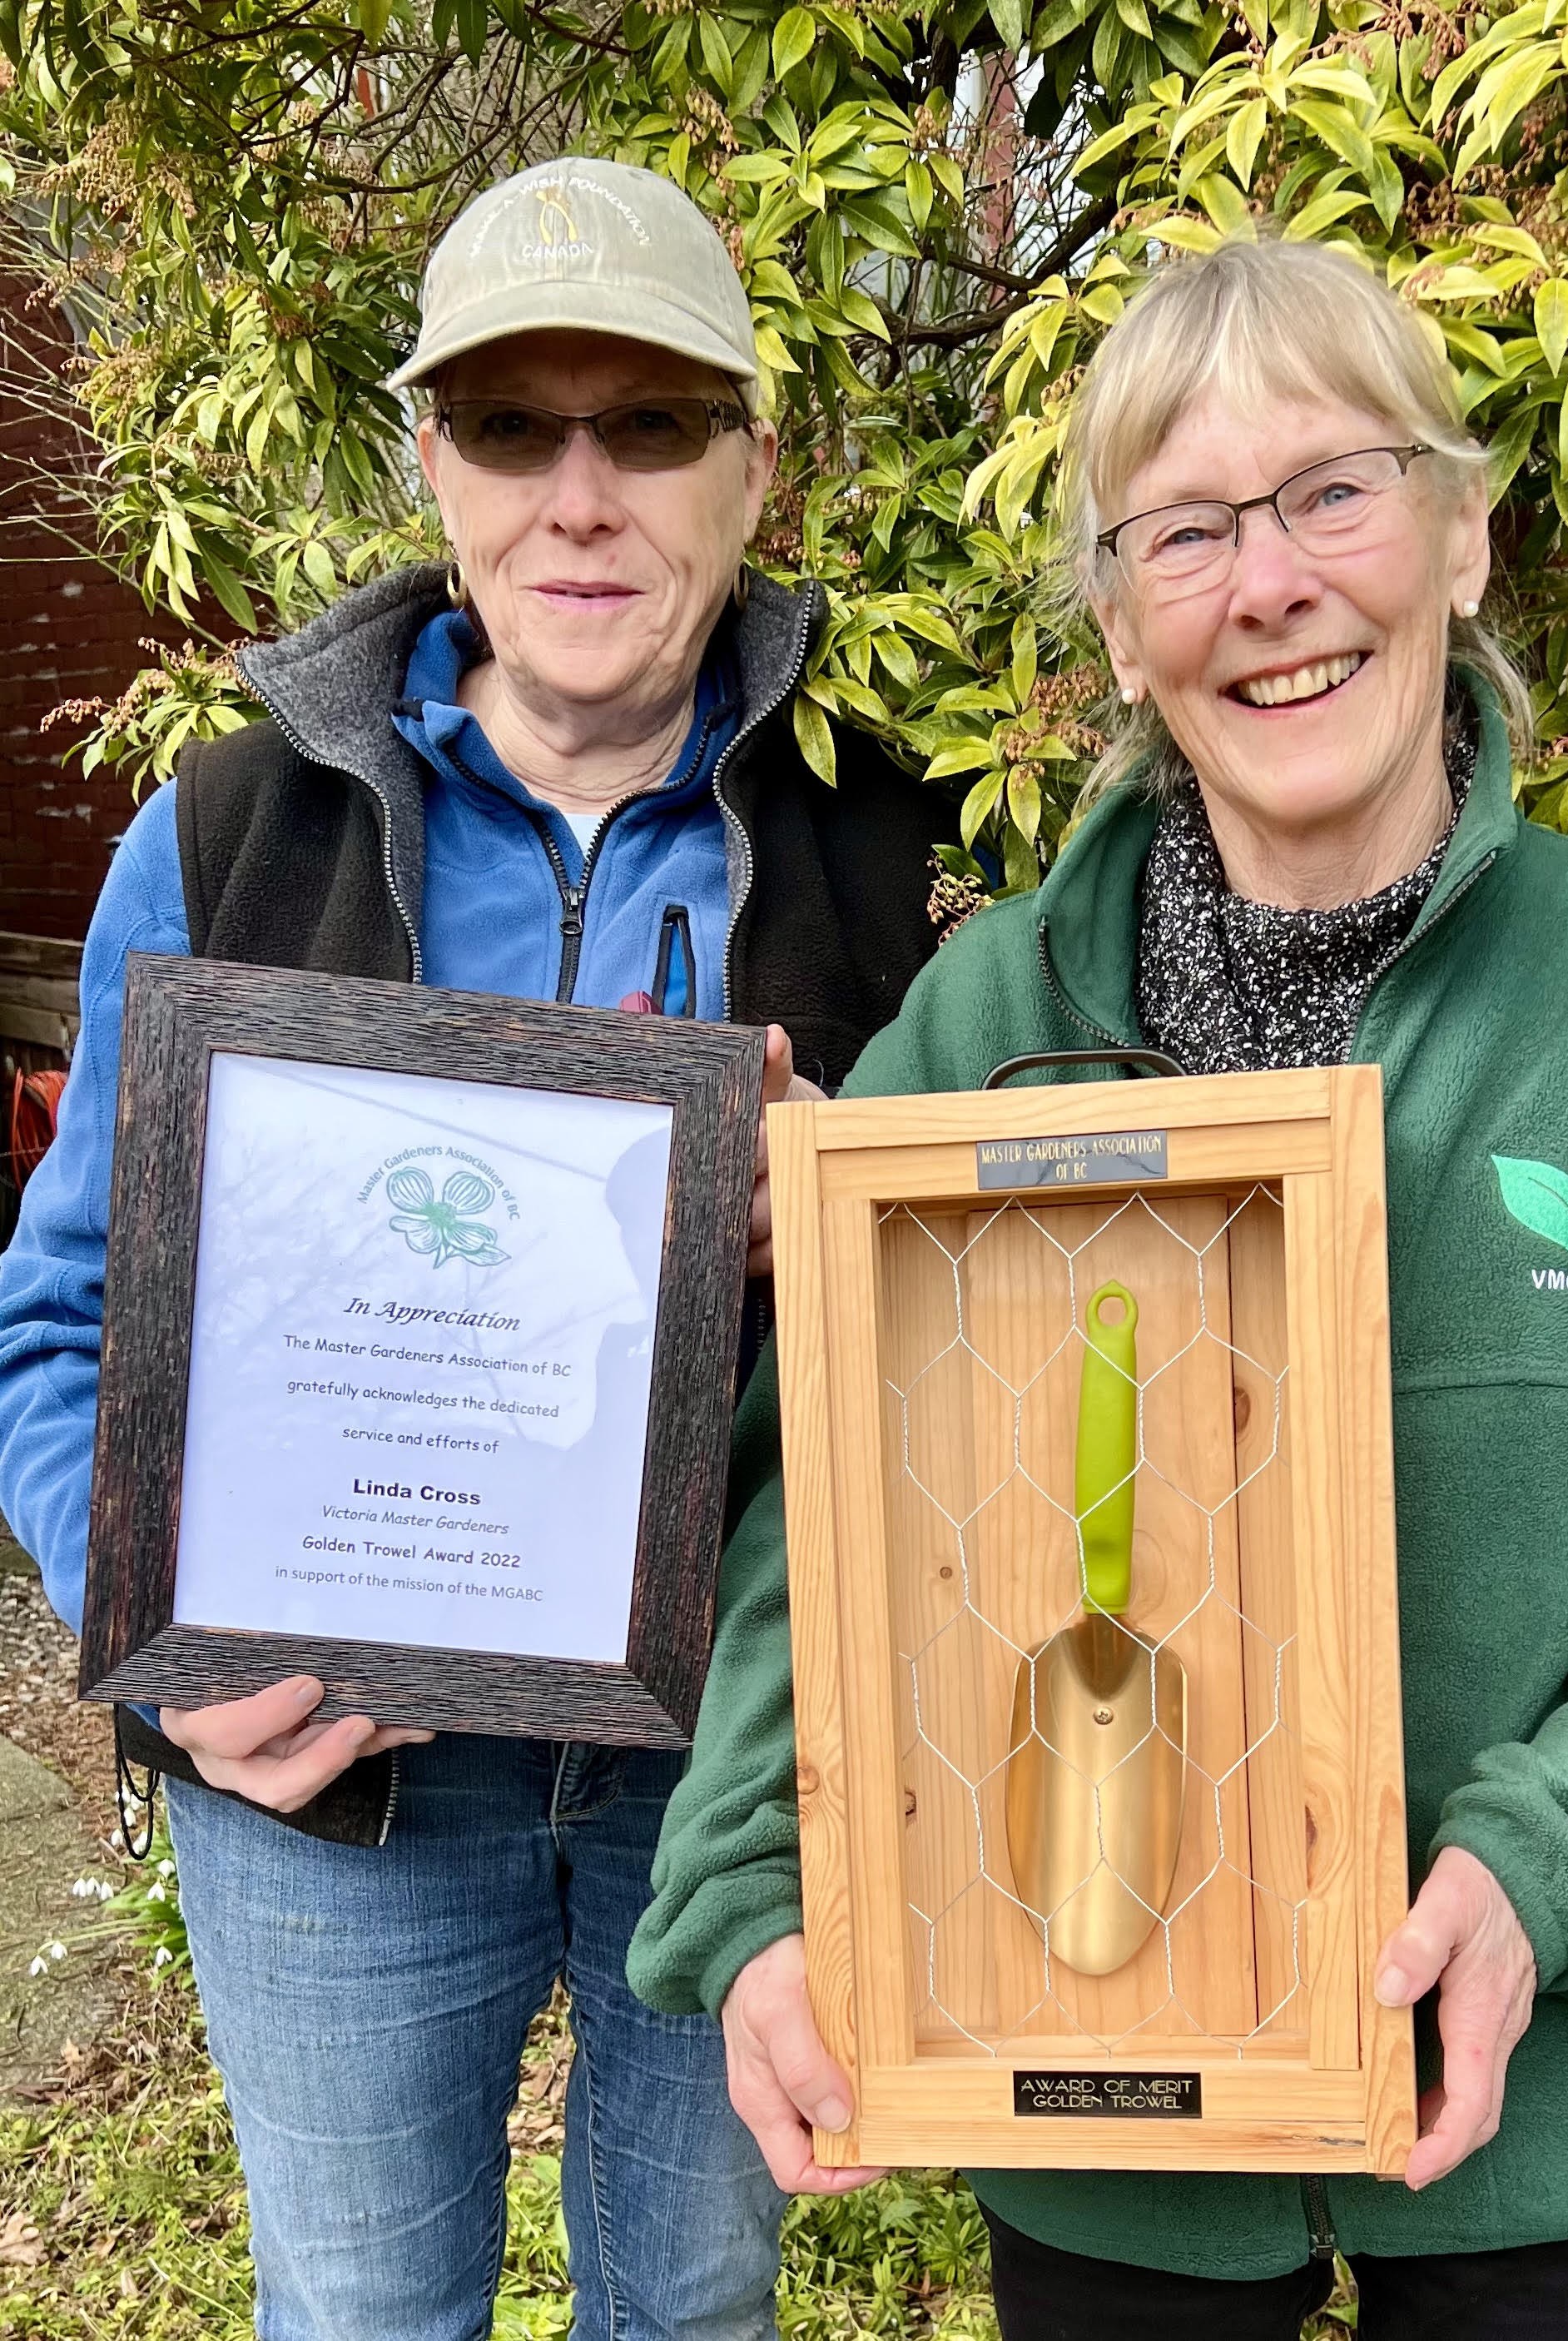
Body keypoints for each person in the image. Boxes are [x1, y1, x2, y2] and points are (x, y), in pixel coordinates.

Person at [625, 237, 1568, 2340]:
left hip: (1558, 2112)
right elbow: (820, 1506)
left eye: (1333, 491)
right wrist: (754, 1890)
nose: (1268, 584)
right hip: (1098, 2112)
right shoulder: (984, 1020)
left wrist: (1552, 1866)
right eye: (1185, 530)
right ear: (1118, 617)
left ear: (1461, 536)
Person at [0, 154, 951, 2340]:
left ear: (752, 463)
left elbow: (1016, 1324)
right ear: (434, 464)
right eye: (515, 425)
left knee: (691, 2306)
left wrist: (851, 1206)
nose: (581, 494)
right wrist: (152, 1631)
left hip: (727, 1786)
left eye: (652, 422)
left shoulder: (901, 848)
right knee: (351, 2314)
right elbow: (56, 1322)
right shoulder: (230, 835)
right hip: (332, 1790)